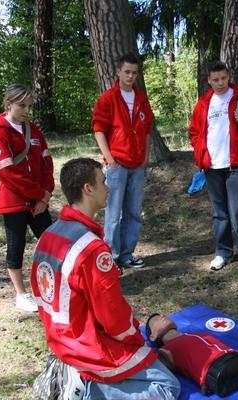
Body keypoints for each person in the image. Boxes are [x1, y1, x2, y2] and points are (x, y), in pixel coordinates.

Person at [30, 158, 180, 399]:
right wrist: (137, 341)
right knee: (167, 387)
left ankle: (72, 373)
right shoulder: (92, 249)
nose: (108, 188)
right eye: (103, 181)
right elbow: (112, 316)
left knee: (156, 365)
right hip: (88, 346)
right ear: (88, 189)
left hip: (61, 340)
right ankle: (83, 389)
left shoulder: (48, 235)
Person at [188, 61, 238, 271]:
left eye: (223, 78)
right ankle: (222, 252)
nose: (220, 83)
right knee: (219, 212)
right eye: (215, 80)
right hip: (212, 166)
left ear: (228, 76)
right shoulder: (204, 103)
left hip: (236, 164)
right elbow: (194, 131)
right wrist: (200, 151)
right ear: (209, 80)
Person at [0, 84, 54, 312]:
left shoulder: (33, 130)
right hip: (13, 201)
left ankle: (53, 285)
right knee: (16, 246)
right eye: (22, 105)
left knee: (51, 241)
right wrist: (39, 194)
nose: (26, 110)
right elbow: (7, 172)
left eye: (29, 106)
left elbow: (47, 163)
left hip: (38, 200)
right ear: (9, 104)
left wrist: (45, 195)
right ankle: (21, 294)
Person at [91, 53, 154, 269]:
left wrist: (145, 156)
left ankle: (127, 254)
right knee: (113, 213)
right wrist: (110, 159)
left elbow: (147, 129)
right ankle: (110, 257)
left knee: (133, 212)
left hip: (137, 165)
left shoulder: (141, 99)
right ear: (118, 72)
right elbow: (99, 130)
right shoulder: (108, 98)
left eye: (134, 73)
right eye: (127, 72)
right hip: (117, 164)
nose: (130, 76)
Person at [145, 313, 238, 395]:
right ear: (152, 336)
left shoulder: (197, 334)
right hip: (216, 371)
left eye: (163, 315)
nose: (162, 316)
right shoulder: (165, 350)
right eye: (156, 319)